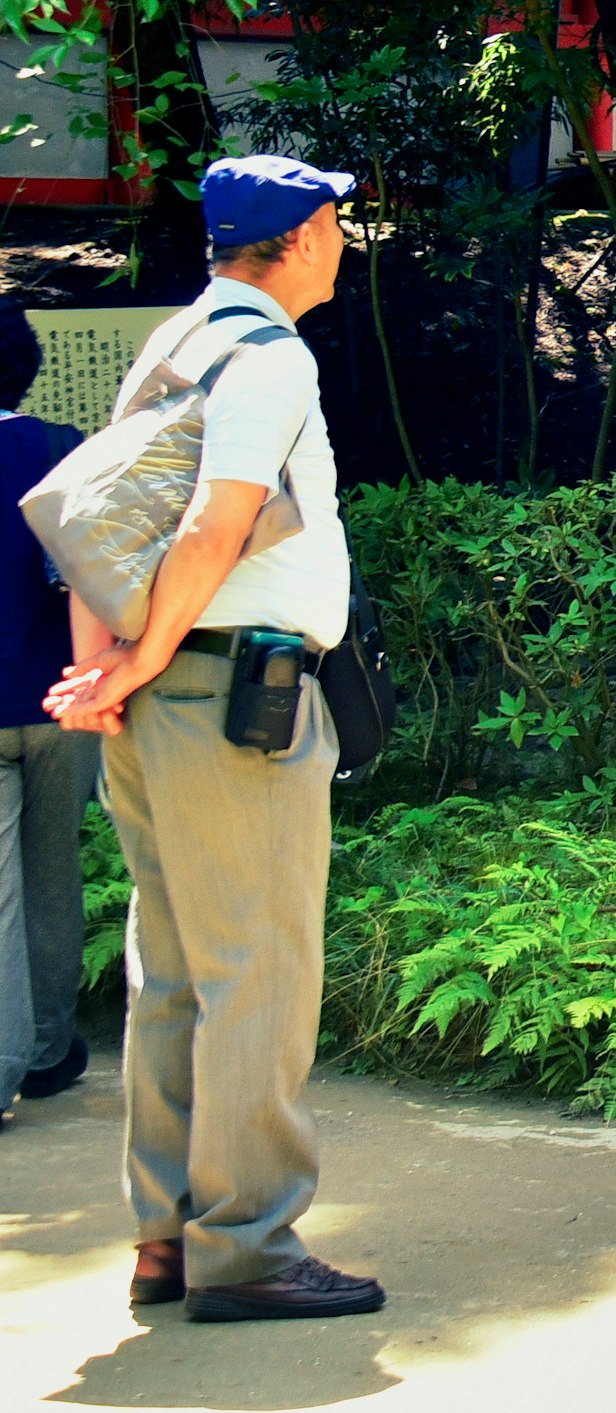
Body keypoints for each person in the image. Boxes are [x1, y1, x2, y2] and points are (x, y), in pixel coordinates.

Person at [46, 160, 385, 1324]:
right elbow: (215, 516)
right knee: (260, 977)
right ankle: (247, 1247)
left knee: (179, 976)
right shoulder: (271, 355)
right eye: (335, 223)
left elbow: (85, 516)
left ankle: (168, 1237)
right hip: (236, 703)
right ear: (295, 238)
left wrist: (104, 672)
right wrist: (130, 666)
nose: (345, 239)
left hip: (164, 707)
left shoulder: (174, 342)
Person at [0, 302, 96, 1134]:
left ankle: (2, 1066)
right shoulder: (65, 448)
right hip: (66, 697)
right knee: (53, 869)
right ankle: (51, 1048)